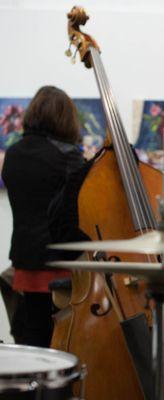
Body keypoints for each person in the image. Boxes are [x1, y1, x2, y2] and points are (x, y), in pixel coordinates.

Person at [2, 85, 85, 347]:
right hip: (61, 265)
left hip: (25, 263)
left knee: (35, 341)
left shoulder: (13, 154)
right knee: (65, 342)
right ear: (65, 118)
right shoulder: (69, 157)